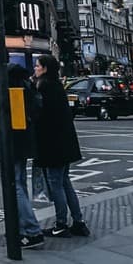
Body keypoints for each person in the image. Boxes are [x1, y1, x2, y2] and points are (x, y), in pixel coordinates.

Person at [33, 54, 90, 237]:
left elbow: (41, 116)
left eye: (38, 66)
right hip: (65, 142)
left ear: (45, 69)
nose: (35, 69)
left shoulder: (45, 87)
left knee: (55, 183)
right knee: (65, 182)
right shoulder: (57, 86)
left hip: (53, 144)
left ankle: (61, 223)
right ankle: (78, 221)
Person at [0, 62, 45, 249]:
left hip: (9, 142)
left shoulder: (8, 88)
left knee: (14, 187)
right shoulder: (26, 86)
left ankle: (31, 230)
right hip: (22, 142)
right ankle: (20, 228)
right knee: (20, 184)